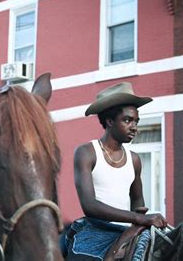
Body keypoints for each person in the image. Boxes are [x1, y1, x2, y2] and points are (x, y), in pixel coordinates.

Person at [65, 82, 168, 260]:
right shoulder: (87, 152)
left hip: (126, 231)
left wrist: (139, 216)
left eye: (136, 121)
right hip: (95, 229)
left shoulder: (134, 159)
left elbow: (136, 198)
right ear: (110, 121)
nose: (134, 127)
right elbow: (89, 206)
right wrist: (137, 218)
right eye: (128, 120)